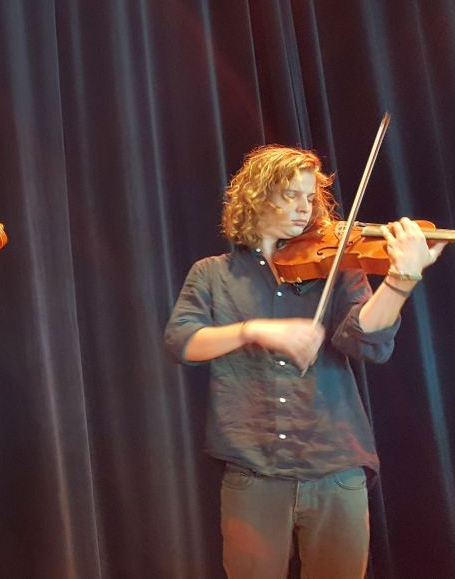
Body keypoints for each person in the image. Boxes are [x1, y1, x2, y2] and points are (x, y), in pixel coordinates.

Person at [164, 144, 445, 578]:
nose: (305, 207)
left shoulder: (338, 267)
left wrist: (399, 280)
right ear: (256, 197)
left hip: (336, 468)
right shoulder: (213, 274)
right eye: (291, 194)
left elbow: (367, 343)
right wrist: (253, 330)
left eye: (310, 197)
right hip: (252, 472)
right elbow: (182, 342)